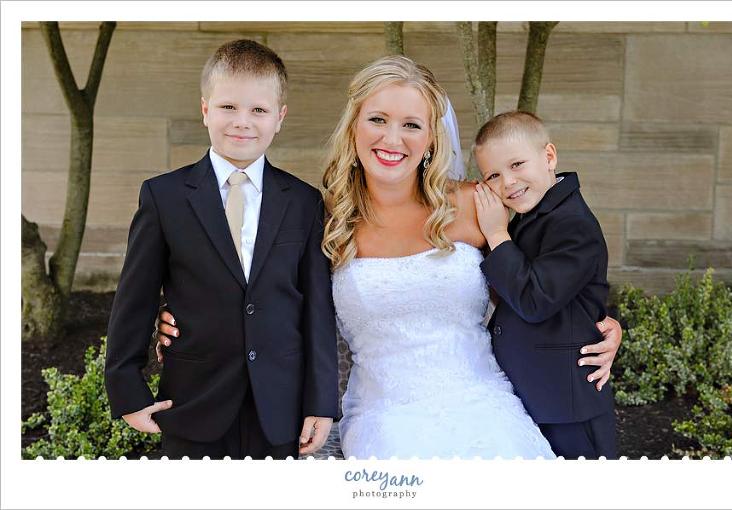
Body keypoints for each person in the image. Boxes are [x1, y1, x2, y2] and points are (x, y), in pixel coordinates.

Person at [156, 55, 622, 459]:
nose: (392, 139)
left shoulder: (478, 205)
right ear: (354, 125)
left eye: (412, 124)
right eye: (377, 119)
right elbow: (258, 294)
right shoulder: (319, 218)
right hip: (385, 414)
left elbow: (548, 279)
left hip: (486, 402)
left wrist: (603, 327)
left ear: (432, 138)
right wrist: (185, 318)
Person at [104, 39, 338, 460]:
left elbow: (317, 309)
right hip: (193, 401)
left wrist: (321, 402)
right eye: (228, 107)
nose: (243, 122)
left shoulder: (304, 202)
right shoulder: (165, 197)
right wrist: (126, 387)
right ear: (205, 109)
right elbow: (134, 298)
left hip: (278, 407)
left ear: (280, 117)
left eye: (259, 110)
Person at [473, 111, 617, 458]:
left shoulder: (573, 224)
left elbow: (536, 299)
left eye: (517, 164)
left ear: (549, 156)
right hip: (533, 397)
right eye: (493, 175)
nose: (507, 182)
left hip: (568, 406)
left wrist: (496, 234)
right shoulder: (532, 215)